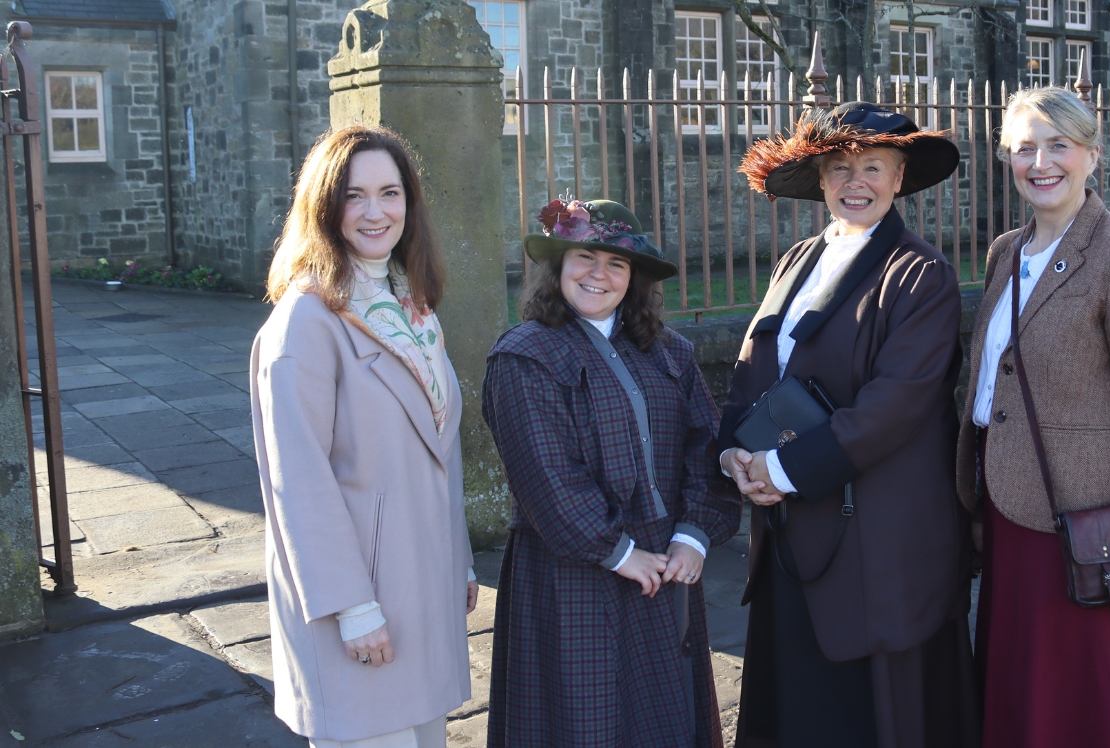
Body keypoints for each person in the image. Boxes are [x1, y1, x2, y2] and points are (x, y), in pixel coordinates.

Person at [725, 102, 979, 748]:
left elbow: (893, 407)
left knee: (858, 720)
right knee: (797, 711)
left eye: (872, 166)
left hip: (875, 545)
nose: (854, 182)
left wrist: (780, 470)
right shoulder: (796, 261)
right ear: (819, 180)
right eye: (839, 168)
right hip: (788, 531)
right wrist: (732, 450)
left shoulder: (923, 276)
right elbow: (753, 370)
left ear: (899, 178)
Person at [957, 86, 1110, 748]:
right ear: (1007, 158)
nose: (1041, 162)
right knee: (1017, 692)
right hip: (1005, 515)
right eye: (1025, 148)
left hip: (1082, 532)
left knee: (1073, 704)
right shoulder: (1005, 253)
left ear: (1092, 155)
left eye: (1058, 145)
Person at [481, 198, 740, 747]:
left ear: (634, 278)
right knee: (581, 721)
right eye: (585, 257)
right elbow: (545, 476)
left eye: (617, 263)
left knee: (662, 717)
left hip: (666, 565)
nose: (599, 274)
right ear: (557, 267)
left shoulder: (668, 352)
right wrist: (618, 552)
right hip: (571, 571)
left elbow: (705, 445)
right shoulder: (526, 355)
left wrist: (693, 535)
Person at [252, 124, 476, 747]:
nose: (375, 212)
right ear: (323, 206)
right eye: (353, 195)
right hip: (359, 606)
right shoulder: (305, 319)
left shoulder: (412, 302)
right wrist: (352, 608)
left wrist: (456, 558)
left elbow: (439, 447)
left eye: (390, 192)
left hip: (420, 590)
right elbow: (297, 481)